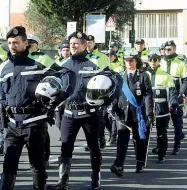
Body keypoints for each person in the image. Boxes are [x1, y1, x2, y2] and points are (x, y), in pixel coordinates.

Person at [0, 26, 76, 190]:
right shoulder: (4, 67)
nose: (13, 46)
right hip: (12, 125)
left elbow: (69, 74)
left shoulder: (41, 62)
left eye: (16, 42)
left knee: (37, 166)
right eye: (10, 43)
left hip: (35, 123)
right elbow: (1, 96)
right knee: (8, 166)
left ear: (25, 43)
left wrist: (63, 94)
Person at [46, 31, 122, 190]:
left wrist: (110, 98)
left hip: (90, 112)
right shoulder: (63, 63)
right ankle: (63, 181)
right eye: (71, 43)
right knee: (65, 147)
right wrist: (51, 108)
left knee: (94, 147)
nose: (72, 46)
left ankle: (95, 178)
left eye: (76, 44)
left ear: (84, 45)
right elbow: (53, 85)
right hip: (68, 113)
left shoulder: (96, 61)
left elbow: (117, 79)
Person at [110, 51, 154, 177]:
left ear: (136, 61)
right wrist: (113, 106)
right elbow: (116, 94)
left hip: (138, 114)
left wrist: (149, 113)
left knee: (139, 139)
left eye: (132, 60)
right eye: (127, 60)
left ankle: (139, 163)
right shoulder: (119, 76)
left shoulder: (143, 76)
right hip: (123, 113)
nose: (129, 62)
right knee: (122, 140)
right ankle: (119, 165)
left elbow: (148, 95)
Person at [147, 52, 179, 163]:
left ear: (159, 61)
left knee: (161, 132)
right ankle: (141, 158)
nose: (153, 62)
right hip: (147, 107)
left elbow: (172, 92)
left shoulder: (166, 76)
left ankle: (162, 154)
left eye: (155, 60)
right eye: (150, 59)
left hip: (161, 108)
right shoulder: (144, 74)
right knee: (144, 132)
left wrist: (173, 105)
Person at [159, 40, 187, 155]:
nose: (167, 51)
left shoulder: (181, 63)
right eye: (165, 49)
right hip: (162, 94)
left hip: (176, 94)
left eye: (169, 49)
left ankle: (177, 144)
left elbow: (185, 80)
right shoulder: (160, 61)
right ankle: (160, 146)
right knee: (162, 121)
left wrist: (182, 93)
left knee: (177, 121)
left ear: (174, 49)